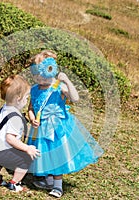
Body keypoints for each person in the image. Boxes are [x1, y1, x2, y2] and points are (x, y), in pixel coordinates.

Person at [27, 50, 104, 198]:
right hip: (40, 128)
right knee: (43, 154)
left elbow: (75, 99)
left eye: (41, 75)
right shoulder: (35, 90)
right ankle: (48, 180)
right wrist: (32, 118)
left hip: (58, 128)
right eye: (35, 75)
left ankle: (58, 186)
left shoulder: (58, 87)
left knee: (57, 154)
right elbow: (31, 108)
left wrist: (67, 81)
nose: (38, 79)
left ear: (50, 71)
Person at [0, 75, 40, 192]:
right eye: (26, 97)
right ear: (19, 98)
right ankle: (15, 183)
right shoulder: (15, 117)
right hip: (0, 153)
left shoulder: (3, 109)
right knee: (26, 159)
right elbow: (10, 139)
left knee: (3, 150)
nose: (27, 101)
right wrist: (27, 148)